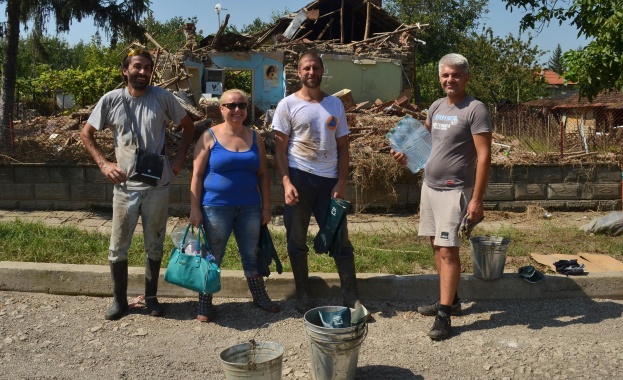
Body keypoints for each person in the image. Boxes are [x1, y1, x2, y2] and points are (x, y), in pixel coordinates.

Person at [80, 49, 194, 320]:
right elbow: (86, 133)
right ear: (125, 70)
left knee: (154, 244)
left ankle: (152, 298)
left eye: (147, 68)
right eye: (137, 67)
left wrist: (179, 158)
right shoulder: (111, 100)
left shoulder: (163, 98)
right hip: (124, 189)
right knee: (118, 246)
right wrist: (104, 165)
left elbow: (188, 126)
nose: (143, 72)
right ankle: (119, 301)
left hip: (157, 187)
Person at [392, 53, 492, 340]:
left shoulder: (475, 109)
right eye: (445, 75)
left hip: (455, 190)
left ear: (466, 77)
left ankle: (444, 315)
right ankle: (452, 300)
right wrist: (405, 157)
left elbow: (484, 157)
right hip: (430, 186)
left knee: (449, 251)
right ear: (440, 77)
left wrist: (477, 199)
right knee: (437, 246)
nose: (450, 80)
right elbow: (425, 144)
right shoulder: (436, 107)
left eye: (456, 75)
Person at [273, 51, 360, 314]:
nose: (311, 73)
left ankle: (350, 297)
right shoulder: (287, 105)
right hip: (299, 179)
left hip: (329, 183)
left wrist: (341, 183)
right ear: (298, 73)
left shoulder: (335, 105)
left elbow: (344, 147)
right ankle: (303, 293)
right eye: (306, 68)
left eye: (316, 68)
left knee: (339, 240)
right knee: (296, 240)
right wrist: (286, 183)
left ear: (323, 72)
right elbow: (279, 149)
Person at [189, 89, 279, 322]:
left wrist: (266, 207)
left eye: (242, 105)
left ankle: (260, 296)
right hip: (215, 208)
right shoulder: (209, 136)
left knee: (251, 255)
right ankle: (205, 302)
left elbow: (263, 175)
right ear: (221, 109)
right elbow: (197, 175)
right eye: (231, 105)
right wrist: (194, 208)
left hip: (249, 207)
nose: (237, 110)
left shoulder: (255, 137)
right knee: (213, 256)